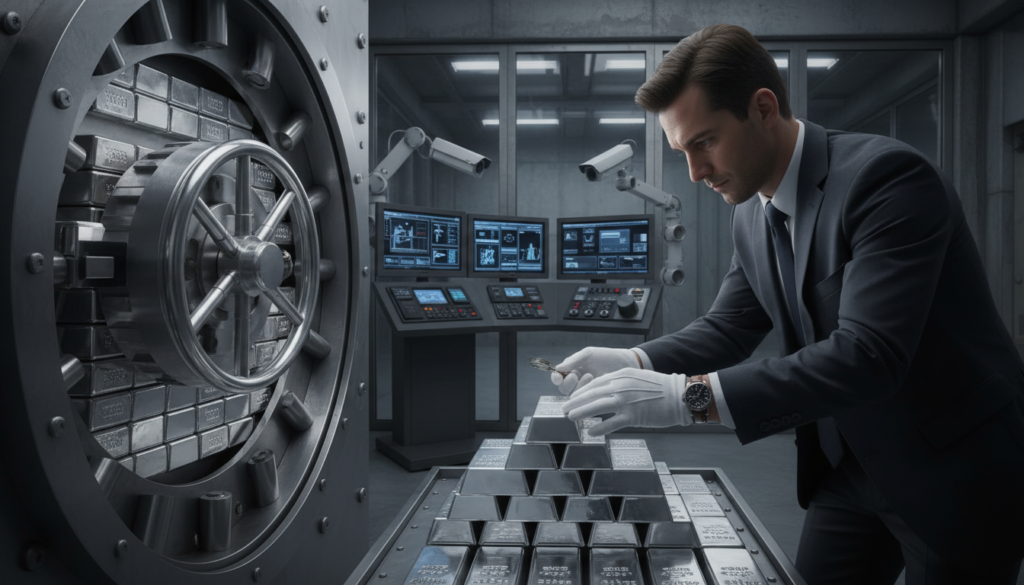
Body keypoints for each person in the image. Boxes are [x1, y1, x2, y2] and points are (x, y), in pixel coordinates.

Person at [555, 23, 1024, 585]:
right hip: (847, 467)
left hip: (949, 469)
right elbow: (728, 327)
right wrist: (634, 361)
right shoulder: (751, 212)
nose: (696, 172)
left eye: (704, 141)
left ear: (762, 107)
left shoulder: (888, 179)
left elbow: (869, 354)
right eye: (681, 151)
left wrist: (689, 398)